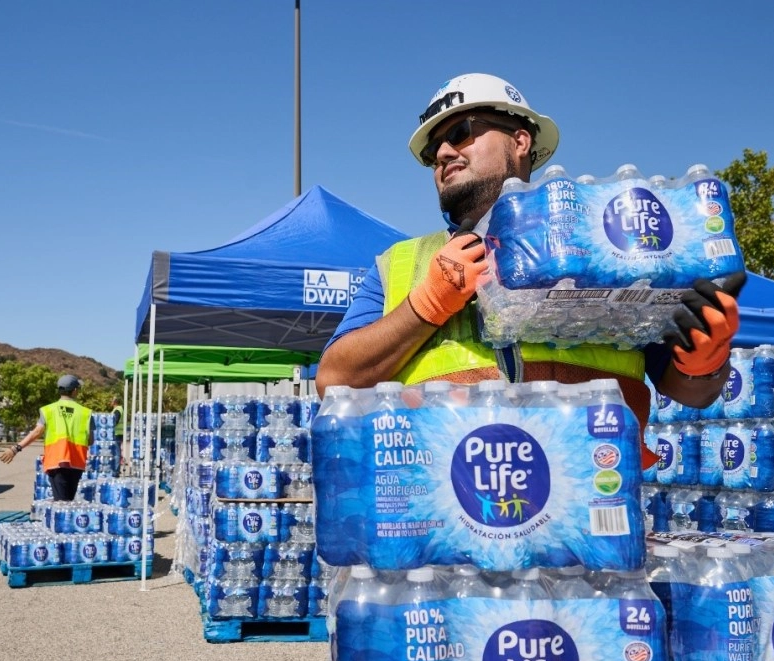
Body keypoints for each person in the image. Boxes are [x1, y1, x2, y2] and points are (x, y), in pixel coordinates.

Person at [315, 73, 742, 467]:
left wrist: (703, 360)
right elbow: (334, 381)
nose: (444, 153)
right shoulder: (402, 263)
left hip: (591, 507)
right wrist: (424, 306)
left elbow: (693, 392)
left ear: (520, 141)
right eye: (433, 150)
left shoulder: (604, 249)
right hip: (449, 513)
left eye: (460, 133)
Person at [0, 374, 94, 500]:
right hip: (76, 463)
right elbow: (90, 440)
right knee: (68, 502)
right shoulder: (86, 413)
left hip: (56, 462)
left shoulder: (48, 410)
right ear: (75, 391)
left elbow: (37, 432)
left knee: (61, 503)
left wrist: (16, 448)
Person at [110, 397, 125, 474]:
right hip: (119, 433)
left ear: (115, 402)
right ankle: (116, 469)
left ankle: (116, 470)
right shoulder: (119, 409)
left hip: (116, 433)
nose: (110, 402)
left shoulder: (117, 410)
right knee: (117, 451)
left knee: (116, 452)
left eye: (111, 400)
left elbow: (114, 421)